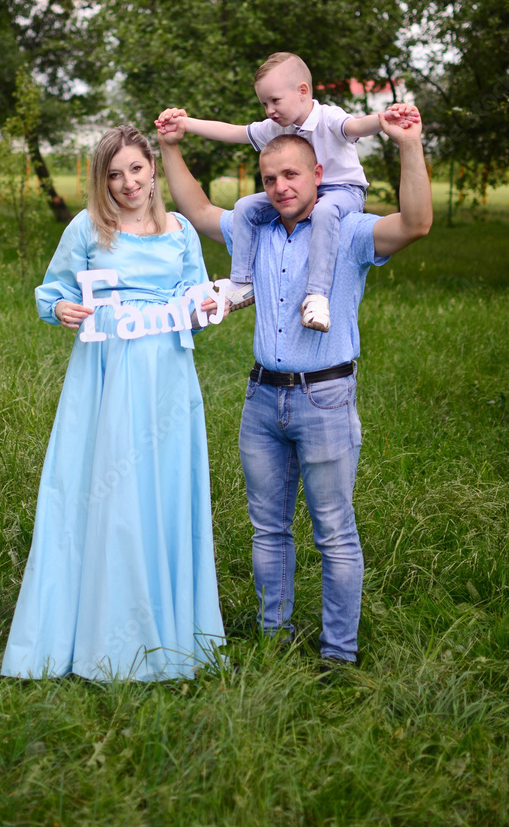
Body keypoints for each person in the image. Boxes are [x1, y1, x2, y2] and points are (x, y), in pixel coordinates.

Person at [154, 106, 432, 667]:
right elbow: (200, 210)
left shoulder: (349, 232)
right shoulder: (254, 230)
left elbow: (414, 224)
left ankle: (338, 655)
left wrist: (408, 144)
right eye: (269, 178)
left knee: (334, 533)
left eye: (291, 175)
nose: (280, 187)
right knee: (268, 531)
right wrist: (170, 147)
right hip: (261, 400)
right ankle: (273, 642)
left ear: (318, 176)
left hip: (324, 398)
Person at [1, 125, 226, 682]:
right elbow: (53, 292)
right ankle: (100, 632)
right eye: (114, 174)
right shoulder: (87, 227)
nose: (127, 183)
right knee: (105, 485)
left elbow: (198, 298)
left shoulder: (180, 232)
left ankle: (169, 627)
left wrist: (208, 305)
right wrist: (61, 310)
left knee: (162, 486)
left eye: (136, 169)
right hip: (104, 372)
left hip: (167, 374)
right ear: (102, 180)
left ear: (152, 168)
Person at [171, 52, 419, 331]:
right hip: (301, 192)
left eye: (275, 100)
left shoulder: (327, 117)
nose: (269, 110)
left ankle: (317, 296)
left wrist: (385, 119)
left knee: (324, 211)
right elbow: (234, 132)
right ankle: (242, 282)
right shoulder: (276, 128)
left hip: (342, 191)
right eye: (264, 103)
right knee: (244, 207)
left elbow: (357, 126)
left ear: (302, 91)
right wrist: (186, 124)